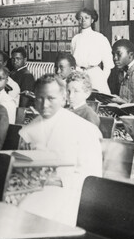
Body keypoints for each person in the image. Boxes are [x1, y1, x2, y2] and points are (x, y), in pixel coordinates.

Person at [17, 74, 103, 225]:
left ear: (63, 99)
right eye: (39, 98)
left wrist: (58, 181)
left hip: (70, 196)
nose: (44, 104)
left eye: (51, 98)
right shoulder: (28, 130)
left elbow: (93, 177)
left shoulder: (83, 129)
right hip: (33, 192)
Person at [70, 8, 113, 94]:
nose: (83, 20)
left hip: (95, 74)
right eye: (80, 18)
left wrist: (102, 79)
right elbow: (72, 60)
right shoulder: (75, 39)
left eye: (86, 17)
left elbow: (108, 64)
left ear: (92, 20)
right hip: (79, 74)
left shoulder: (100, 38)